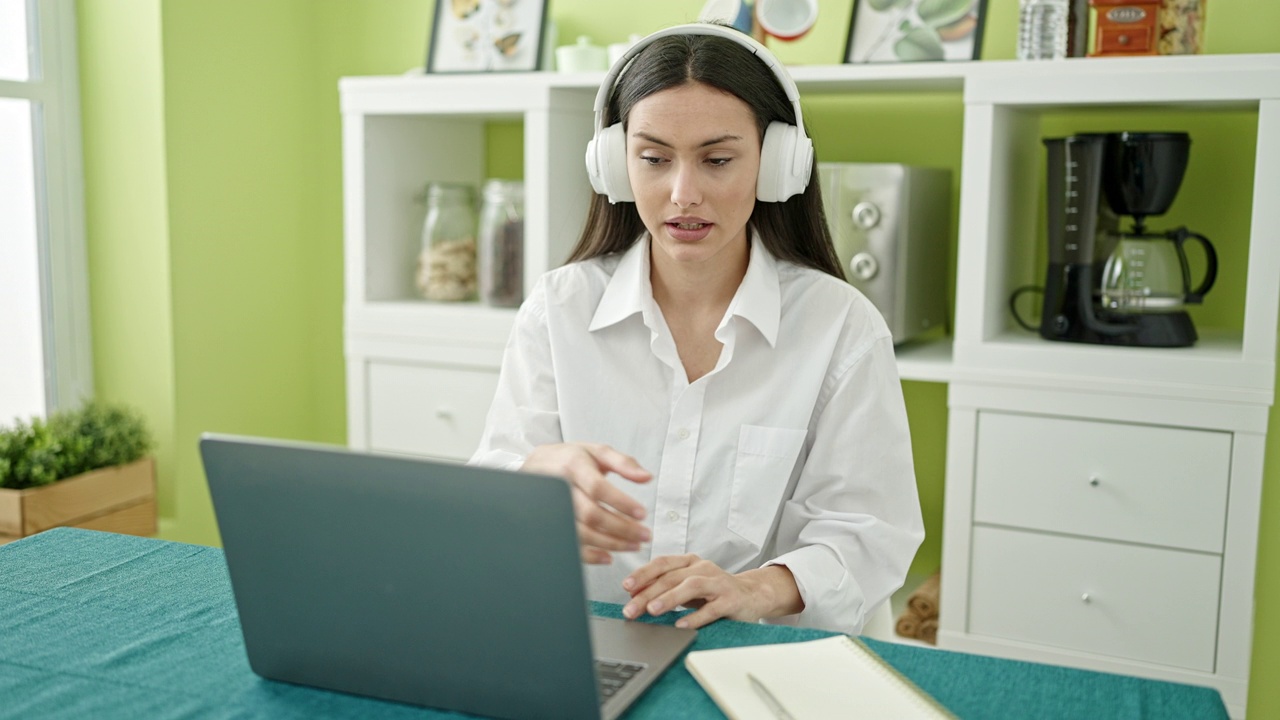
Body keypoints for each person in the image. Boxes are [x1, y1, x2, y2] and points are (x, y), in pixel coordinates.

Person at [470, 23, 923, 634]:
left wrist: (752, 589)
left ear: (776, 165)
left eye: (717, 160)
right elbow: (486, 491)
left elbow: (871, 535)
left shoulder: (840, 327)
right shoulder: (559, 310)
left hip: (765, 658)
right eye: (654, 159)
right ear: (614, 164)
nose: (683, 194)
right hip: (591, 647)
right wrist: (532, 479)